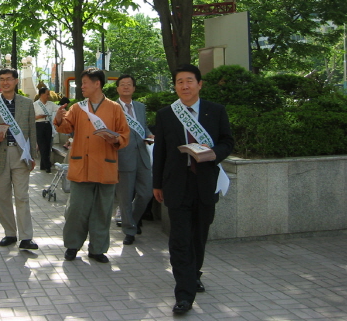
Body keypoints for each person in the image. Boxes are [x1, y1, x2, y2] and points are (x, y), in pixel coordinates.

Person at [152, 64, 234, 314]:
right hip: (177, 184)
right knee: (179, 239)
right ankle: (184, 294)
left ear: (199, 84)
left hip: (205, 183)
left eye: (189, 81)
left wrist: (213, 154)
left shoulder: (215, 111)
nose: (184, 86)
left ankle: (193, 273)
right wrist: (157, 183)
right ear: (175, 86)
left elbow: (227, 142)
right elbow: (160, 152)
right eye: (179, 82)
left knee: (199, 235)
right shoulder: (167, 114)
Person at [54, 68, 129, 263]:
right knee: (76, 209)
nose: (82, 86)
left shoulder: (114, 108)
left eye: (85, 83)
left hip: (105, 166)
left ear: (98, 84)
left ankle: (98, 249)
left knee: (102, 211)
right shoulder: (78, 108)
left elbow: (124, 135)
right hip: (82, 166)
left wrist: (115, 138)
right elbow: (66, 127)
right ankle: (72, 245)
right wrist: (60, 116)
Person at [0, 68, 38, 250]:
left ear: (16, 81)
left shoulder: (27, 103)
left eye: (9, 79)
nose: (5, 82)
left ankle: (26, 237)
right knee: (3, 197)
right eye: (2, 79)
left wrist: (33, 155)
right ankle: (10, 233)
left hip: (21, 155)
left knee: (22, 196)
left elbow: (32, 131)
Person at [115, 74, 153, 246]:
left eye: (129, 84)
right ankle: (129, 230)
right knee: (125, 197)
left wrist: (150, 134)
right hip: (124, 156)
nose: (126, 87)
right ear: (117, 88)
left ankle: (133, 221)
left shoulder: (140, 107)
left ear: (134, 88)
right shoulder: (112, 108)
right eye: (122, 85)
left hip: (142, 155)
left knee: (146, 193)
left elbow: (143, 126)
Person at [33, 87, 58, 173]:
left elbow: (59, 109)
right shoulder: (35, 105)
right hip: (39, 125)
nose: (48, 96)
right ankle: (48, 165)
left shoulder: (51, 104)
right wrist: (39, 116)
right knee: (42, 145)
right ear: (41, 94)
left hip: (48, 126)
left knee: (48, 146)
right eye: (47, 94)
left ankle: (43, 165)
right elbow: (31, 117)